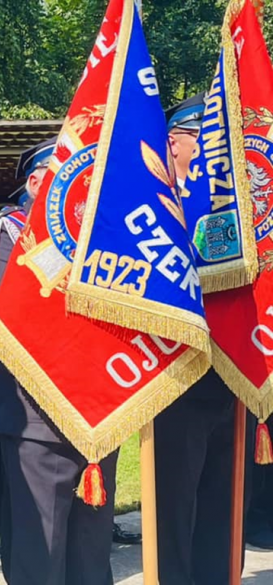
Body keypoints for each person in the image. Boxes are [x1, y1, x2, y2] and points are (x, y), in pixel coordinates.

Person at [0, 137, 119, 585]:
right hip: (39, 417)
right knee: (41, 549)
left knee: (91, 549)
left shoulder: (105, 233)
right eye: (63, 174)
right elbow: (17, 311)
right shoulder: (8, 231)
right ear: (36, 181)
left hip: (99, 411)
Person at [155, 94, 254, 584]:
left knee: (224, 500)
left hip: (231, 373)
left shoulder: (236, 208)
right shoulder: (151, 206)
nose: (218, 149)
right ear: (174, 141)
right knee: (173, 506)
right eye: (206, 137)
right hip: (173, 375)